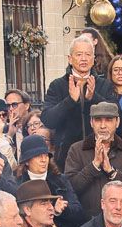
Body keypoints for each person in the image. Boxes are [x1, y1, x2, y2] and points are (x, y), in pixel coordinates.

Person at [64, 101, 122, 216]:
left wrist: (111, 171)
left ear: (117, 122)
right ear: (91, 122)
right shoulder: (77, 150)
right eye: (98, 120)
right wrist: (94, 166)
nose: (103, 125)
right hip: (86, 223)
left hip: (121, 222)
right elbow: (70, 188)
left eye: (109, 120)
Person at [41, 34, 102, 164]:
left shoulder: (104, 84)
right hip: (66, 156)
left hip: (99, 152)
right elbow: (48, 119)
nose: (84, 59)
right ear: (70, 59)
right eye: (79, 54)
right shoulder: (57, 85)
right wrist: (70, 101)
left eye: (88, 54)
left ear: (93, 58)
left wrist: (93, 98)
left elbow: (117, 116)